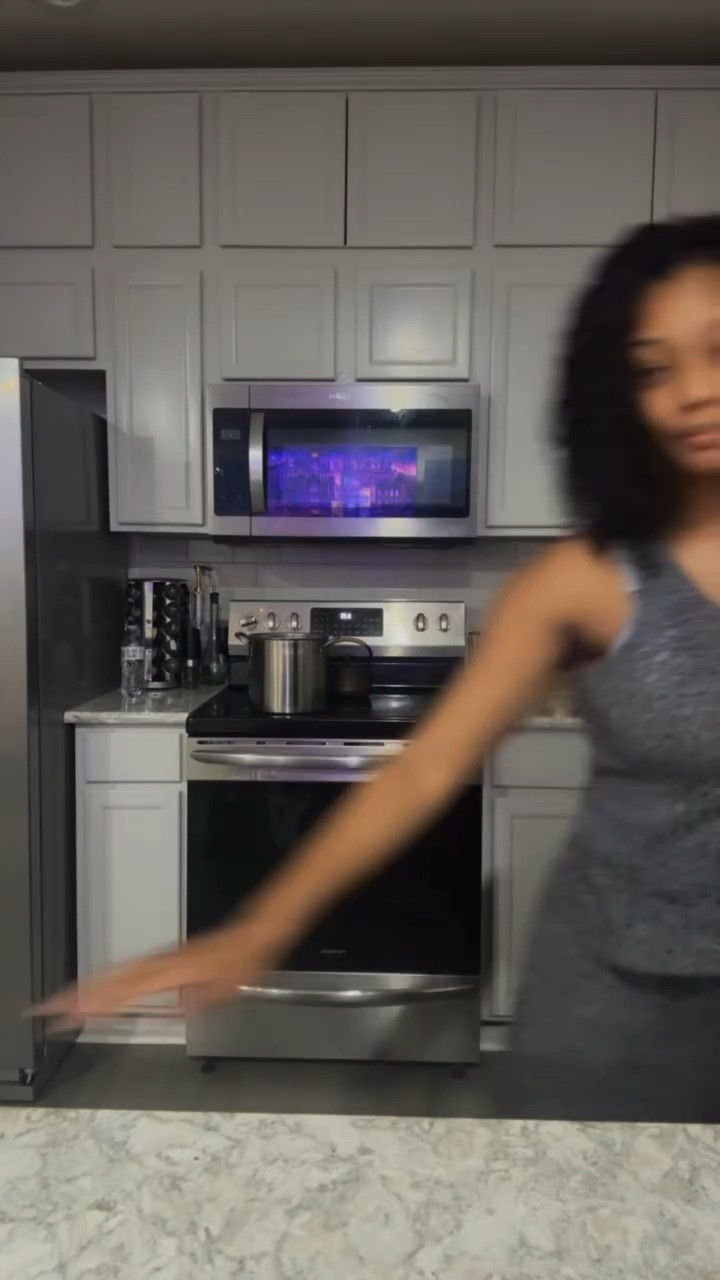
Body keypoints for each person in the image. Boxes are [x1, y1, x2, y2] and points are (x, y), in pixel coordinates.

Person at [38, 215, 720, 1121]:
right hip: (615, 1009)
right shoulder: (586, 579)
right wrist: (258, 930)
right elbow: (423, 771)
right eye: (652, 369)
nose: (693, 393)